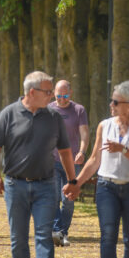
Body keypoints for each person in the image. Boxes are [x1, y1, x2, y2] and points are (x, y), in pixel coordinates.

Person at [0, 71, 76, 258]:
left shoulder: (54, 117)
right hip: (15, 185)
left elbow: (65, 151)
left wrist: (73, 181)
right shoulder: (9, 114)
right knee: (18, 239)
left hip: (46, 186)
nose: (51, 96)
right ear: (31, 92)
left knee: (44, 236)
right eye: (47, 92)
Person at [69, 80, 129, 258]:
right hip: (107, 187)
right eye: (111, 101)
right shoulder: (104, 126)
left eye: (115, 102)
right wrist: (76, 183)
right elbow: (94, 159)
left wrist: (123, 149)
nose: (111, 105)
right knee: (108, 234)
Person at [48, 79, 89, 248]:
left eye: (65, 96)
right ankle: (57, 231)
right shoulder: (48, 109)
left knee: (69, 200)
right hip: (51, 160)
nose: (62, 99)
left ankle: (63, 232)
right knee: (53, 197)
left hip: (72, 162)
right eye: (59, 96)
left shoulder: (78, 110)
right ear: (54, 94)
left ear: (70, 94)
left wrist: (82, 151)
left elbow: (84, 134)